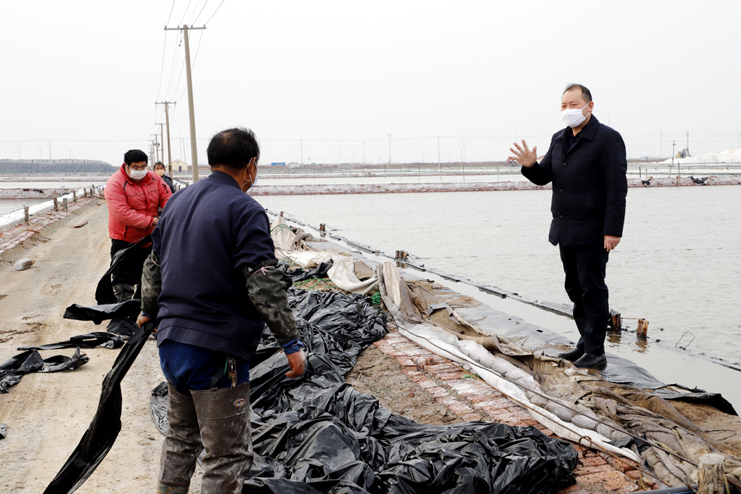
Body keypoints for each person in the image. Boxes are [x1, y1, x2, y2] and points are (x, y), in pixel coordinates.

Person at [136, 127, 306, 494]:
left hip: (172, 346)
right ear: (251, 165)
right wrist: (290, 344)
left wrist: (148, 310)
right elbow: (262, 281)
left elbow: (154, 264)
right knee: (226, 457)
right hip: (215, 351)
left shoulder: (176, 202)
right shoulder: (245, 209)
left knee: (181, 440)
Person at [509, 84, 627, 369]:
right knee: (574, 289)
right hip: (565, 228)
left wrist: (613, 230)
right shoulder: (559, 138)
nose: (567, 110)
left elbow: (616, 188)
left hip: (593, 229)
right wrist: (530, 165)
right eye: (563, 105)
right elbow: (544, 176)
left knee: (592, 288)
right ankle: (585, 344)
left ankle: (596, 352)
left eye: (573, 104)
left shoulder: (607, 138)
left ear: (589, 106)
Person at [104, 149, 172, 307]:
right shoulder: (115, 183)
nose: (140, 170)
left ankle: (144, 309)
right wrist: (153, 221)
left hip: (149, 238)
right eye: (135, 167)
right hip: (125, 239)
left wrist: (172, 212)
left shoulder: (154, 179)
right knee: (123, 280)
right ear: (126, 166)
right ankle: (123, 311)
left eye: (143, 167)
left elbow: (167, 197)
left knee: (150, 276)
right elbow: (122, 213)